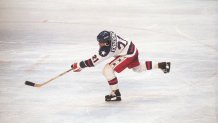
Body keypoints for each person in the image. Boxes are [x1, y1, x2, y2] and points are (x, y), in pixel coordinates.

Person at [71, 30, 171, 101]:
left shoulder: (106, 50)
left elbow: (93, 62)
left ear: (107, 42)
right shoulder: (110, 34)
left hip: (127, 54)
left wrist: (79, 65)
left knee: (107, 70)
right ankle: (162, 65)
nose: (99, 44)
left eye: (101, 42)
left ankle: (115, 93)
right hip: (131, 47)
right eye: (99, 42)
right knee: (138, 68)